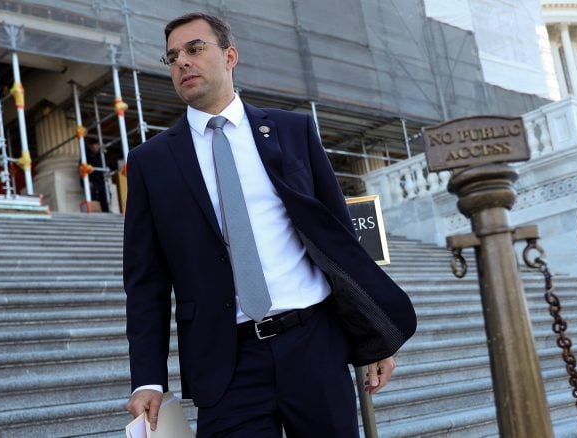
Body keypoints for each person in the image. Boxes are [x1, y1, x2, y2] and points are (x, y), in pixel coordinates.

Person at [123, 12, 416, 437]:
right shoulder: (150, 162)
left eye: (195, 49)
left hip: (313, 343)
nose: (182, 61)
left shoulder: (292, 131)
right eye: (172, 57)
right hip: (225, 362)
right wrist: (147, 378)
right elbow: (145, 281)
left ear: (230, 56)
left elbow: (340, 240)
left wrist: (373, 333)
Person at [83, 142, 109, 212]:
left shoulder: (102, 156)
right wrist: (86, 182)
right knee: (94, 198)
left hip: (101, 181)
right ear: (89, 146)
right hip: (92, 181)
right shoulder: (86, 156)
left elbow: (107, 167)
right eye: (93, 146)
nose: (95, 147)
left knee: (106, 195)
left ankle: (106, 210)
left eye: (96, 145)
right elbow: (82, 169)